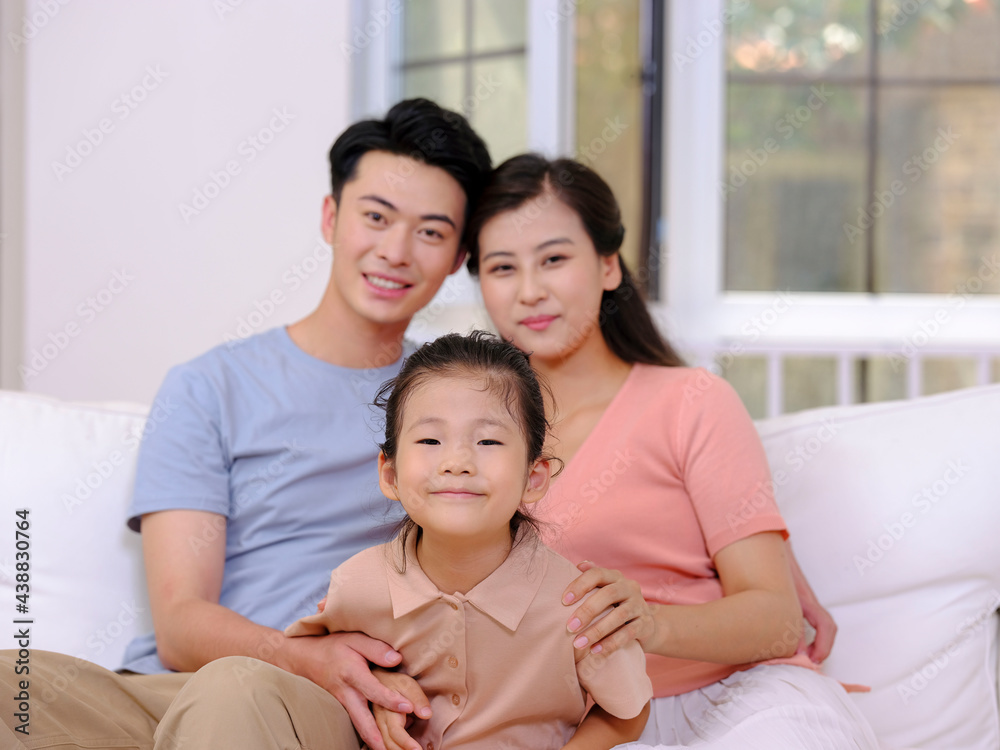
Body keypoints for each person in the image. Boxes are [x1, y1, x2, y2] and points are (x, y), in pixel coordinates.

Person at [0, 98, 494, 750]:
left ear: (459, 256)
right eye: (375, 217)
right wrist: (294, 653)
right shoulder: (209, 386)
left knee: (238, 690)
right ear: (331, 218)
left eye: (431, 232)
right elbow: (180, 626)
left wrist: (314, 664)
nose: (395, 251)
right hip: (164, 692)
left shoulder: (455, 408)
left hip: (313, 704)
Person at [370, 153, 879, 749]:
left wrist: (651, 622)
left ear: (609, 265)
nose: (531, 291)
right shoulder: (462, 431)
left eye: (554, 259)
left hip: (736, 701)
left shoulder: (692, 402)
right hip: (579, 725)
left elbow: (776, 618)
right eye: (503, 268)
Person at [285, 331, 652, 750]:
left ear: (534, 478)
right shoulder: (357, 584)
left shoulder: (576, 605)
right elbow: (312, 670)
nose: (457, 462)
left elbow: (628, 712)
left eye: (488, 441)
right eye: (429, 440)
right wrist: (380, 691)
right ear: (390, 475)